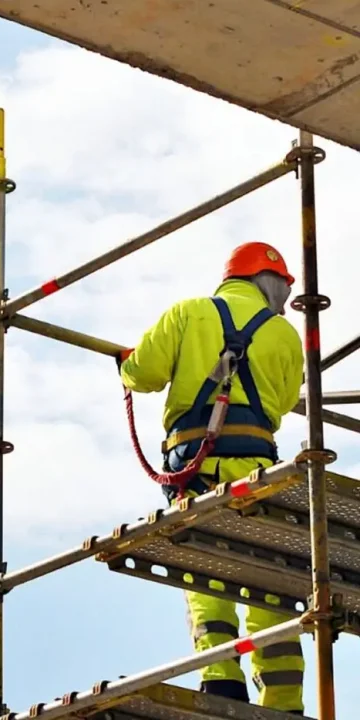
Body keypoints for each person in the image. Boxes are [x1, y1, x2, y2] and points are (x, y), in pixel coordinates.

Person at [118, 242, 305, 715]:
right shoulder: (283, 333)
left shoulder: (188, 313)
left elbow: (142, 374)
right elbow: (282, 402)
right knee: (271, 576)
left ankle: (221, 682)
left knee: (207, 574)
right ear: (270, 282)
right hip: (258, 465)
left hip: (195, 469)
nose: (285, 295)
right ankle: (285, 701)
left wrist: (125, 362)